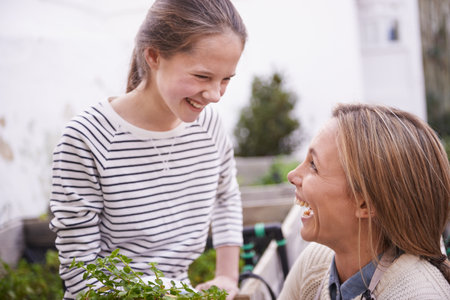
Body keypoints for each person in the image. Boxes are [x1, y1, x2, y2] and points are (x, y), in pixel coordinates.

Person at [49, 0, 247, 299]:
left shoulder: (209, 128)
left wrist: (227, 277)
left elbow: (225, 194)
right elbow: (81, 272)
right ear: (153, 55)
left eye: (226, 80)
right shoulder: (86, 139)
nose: (216, 95)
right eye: (202, 76)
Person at [278, 103, 450, 299]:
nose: (292, 175)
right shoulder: (315, 263)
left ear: (365, 203)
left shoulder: (420, 295)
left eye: (313, 166)